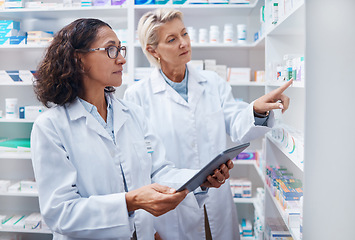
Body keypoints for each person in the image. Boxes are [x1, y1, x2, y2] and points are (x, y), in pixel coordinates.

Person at [30, 18, 234, 240]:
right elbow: (60, 213)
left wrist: (199, 178)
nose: (122, 59)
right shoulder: (51, 127)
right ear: (79, 60)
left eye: (120, 49)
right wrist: (130, 202)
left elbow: (158, 171)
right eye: (110, 50)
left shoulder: (133, 113)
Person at [124, 8, 293, 240]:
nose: (184, 43)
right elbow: (139, 165)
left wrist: (256, 109)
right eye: (172, 39)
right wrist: (148, 229)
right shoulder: (137, 96)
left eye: (184, 33)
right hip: (171, 207)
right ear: (153, 51)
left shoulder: (212, 82)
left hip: (216, 198)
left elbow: (236, 122)